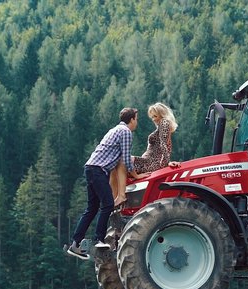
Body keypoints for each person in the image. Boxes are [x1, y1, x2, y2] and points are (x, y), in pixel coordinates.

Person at [64, 107, 148, 260]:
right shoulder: (126, 132)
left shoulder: (114, 130)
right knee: (108, 204)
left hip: (90, 168)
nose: (137, 122)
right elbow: (126, 157)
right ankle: (99, 240)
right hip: (98, 171)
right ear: (131, 120)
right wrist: (136, 175)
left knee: (92, 208)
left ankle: (75, 244)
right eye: (136, 119)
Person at [110, 102, 180, 206]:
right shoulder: (161, 125)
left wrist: (166, 163)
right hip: (147, 161)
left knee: (119, 162)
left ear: (162, 114)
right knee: (115, 165)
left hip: (151, 163)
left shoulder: (164, 123)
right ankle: (116, 199)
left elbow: (164, 145)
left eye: (155, 116)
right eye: (152, 117)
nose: (154, 119)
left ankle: (118, 199)